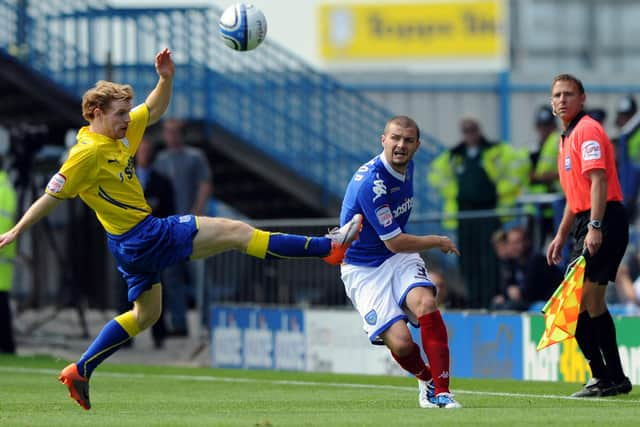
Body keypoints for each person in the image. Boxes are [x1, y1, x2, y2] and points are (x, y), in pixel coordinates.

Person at [0, 48, 363, 410]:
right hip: (146, 235)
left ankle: (81, 369)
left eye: (128, 113)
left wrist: (165, 79)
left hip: (128, 244)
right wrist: (17, 230)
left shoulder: (119, 136)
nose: (128, 119)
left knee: (147, 315)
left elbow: (154, 109)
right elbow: (52, 194)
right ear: (96, 113)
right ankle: (327, 247)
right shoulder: (87, 153)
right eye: (120, 114)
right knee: (237, 233)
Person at [340, 115, 462, 409]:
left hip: (397, 257)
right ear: (383, 140)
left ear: (417, 146)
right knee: (403, 344)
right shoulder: (373, 184)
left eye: (408, 140)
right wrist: (437, 240)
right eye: (394, 138)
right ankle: (426, 378)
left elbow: (396, 246)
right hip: (363, 268)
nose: (400, 145)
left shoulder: (408, 166)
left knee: (426, 303)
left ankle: (443, 392)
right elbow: (394, 240)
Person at [546, 73, 632, 397]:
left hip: (604, 218)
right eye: (557, 95)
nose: (562, 100)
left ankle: (601, 376)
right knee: (593, 304)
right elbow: (574, 195)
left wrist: (594, 227)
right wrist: (560, 234)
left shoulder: (588, 131)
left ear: (582, 99)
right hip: (589, 219)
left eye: (569, 94)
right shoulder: (565, 138)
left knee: (575, 301)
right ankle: (615, 378)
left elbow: (599, 181)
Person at [428, 117, 529, 309]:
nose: (470, 134)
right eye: (466, 131)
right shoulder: (455, 156)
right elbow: (436, 176)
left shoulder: (495, 151)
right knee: (468, 260)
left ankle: (490, 298)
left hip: (489, 213)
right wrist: (457, 193)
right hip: (465, 216)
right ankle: (473, 301)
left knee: (491, 259)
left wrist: (500, 190)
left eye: (473, 130)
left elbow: (517, 170)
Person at [154, 118, 212, 336]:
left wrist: (197, 211)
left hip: (191, 225)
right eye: (167, 132)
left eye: (174, 132)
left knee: (199, 274)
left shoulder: (194, 157)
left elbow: (204, 184)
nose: (171, 136)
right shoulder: (161, 160)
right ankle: (179, 323)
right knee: (171, 276)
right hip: (169, 227)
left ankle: (207, 322)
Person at [116, 137, 175, 349]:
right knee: (126, 288)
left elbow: (170, 211)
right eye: (141, 149)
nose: (144, 153)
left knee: (156, 286)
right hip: (129, 242)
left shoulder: (162, 182)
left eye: (148, 149)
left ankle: (159, 334)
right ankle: (124, 336)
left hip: (153, 242)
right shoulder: (123, 178)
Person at [527, 105, 561, 244]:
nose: (544, 129)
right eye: (541, 126)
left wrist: (541, 176)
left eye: (547, 125)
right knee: (535, 247)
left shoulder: (558, 140)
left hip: (556, 205)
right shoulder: (535, 147)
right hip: (538, 206)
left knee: (560, 246)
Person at [613, 94, 640, 223]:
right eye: (623, 116)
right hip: (626, 189)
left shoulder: (632, 134)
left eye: (628, 116)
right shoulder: (624, 136)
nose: (625, 120)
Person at [0, 163, 17, 354]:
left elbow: (3, 222)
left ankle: (7, 347)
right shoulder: (5, 186)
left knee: (2, 305)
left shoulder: (2, 188)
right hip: (3, 257)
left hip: (1, 256)